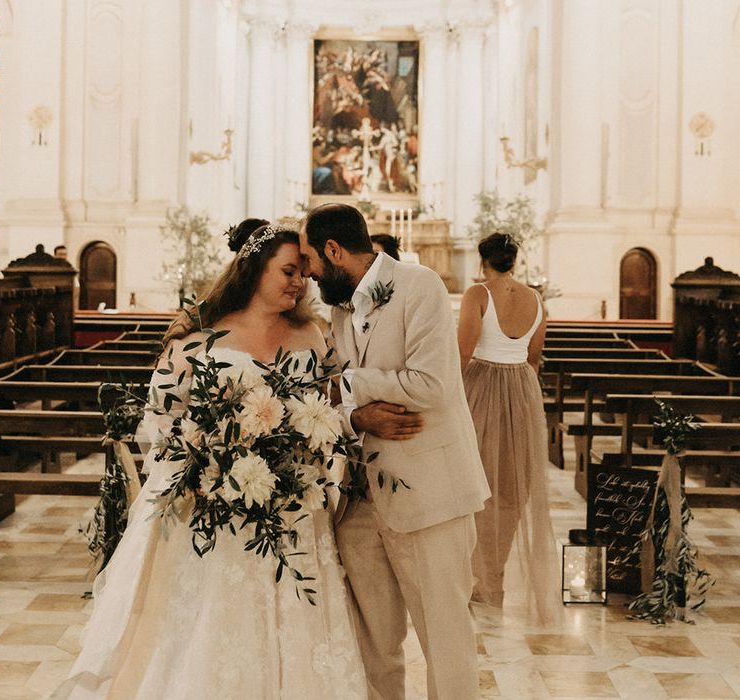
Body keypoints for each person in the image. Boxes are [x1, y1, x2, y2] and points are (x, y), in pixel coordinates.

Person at [54, 221, 368, 699]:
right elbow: (160, 421)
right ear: (251, 269)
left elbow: (329, 410)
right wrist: (200, 466)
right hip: (212, 509)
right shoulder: (198, 338)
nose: (298, 282)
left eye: (303, 273)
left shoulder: (313, 337)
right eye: (287, 270)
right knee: (217, 618)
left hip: (294, 505)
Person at [299, 203, 490, 700]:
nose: (310, 277)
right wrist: (356, 409)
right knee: (373, 643)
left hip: (431, 495)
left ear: (334, 250)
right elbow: (338, 400)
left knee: (445, 638)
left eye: (313, 264)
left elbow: (431, 385)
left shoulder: (419, 285)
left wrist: (349, 384)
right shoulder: (338, 312)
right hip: (361, 499)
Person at [457, 232, 560, 624]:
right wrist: (521, 395)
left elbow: (462, 354)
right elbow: (534, 358)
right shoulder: (536, 300)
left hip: (482, 387)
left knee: (477, 485)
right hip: (522, 388)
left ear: (482, 260)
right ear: (514, 261)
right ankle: (492, 578)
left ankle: (478, 579)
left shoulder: (477, 295)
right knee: (512, 489)